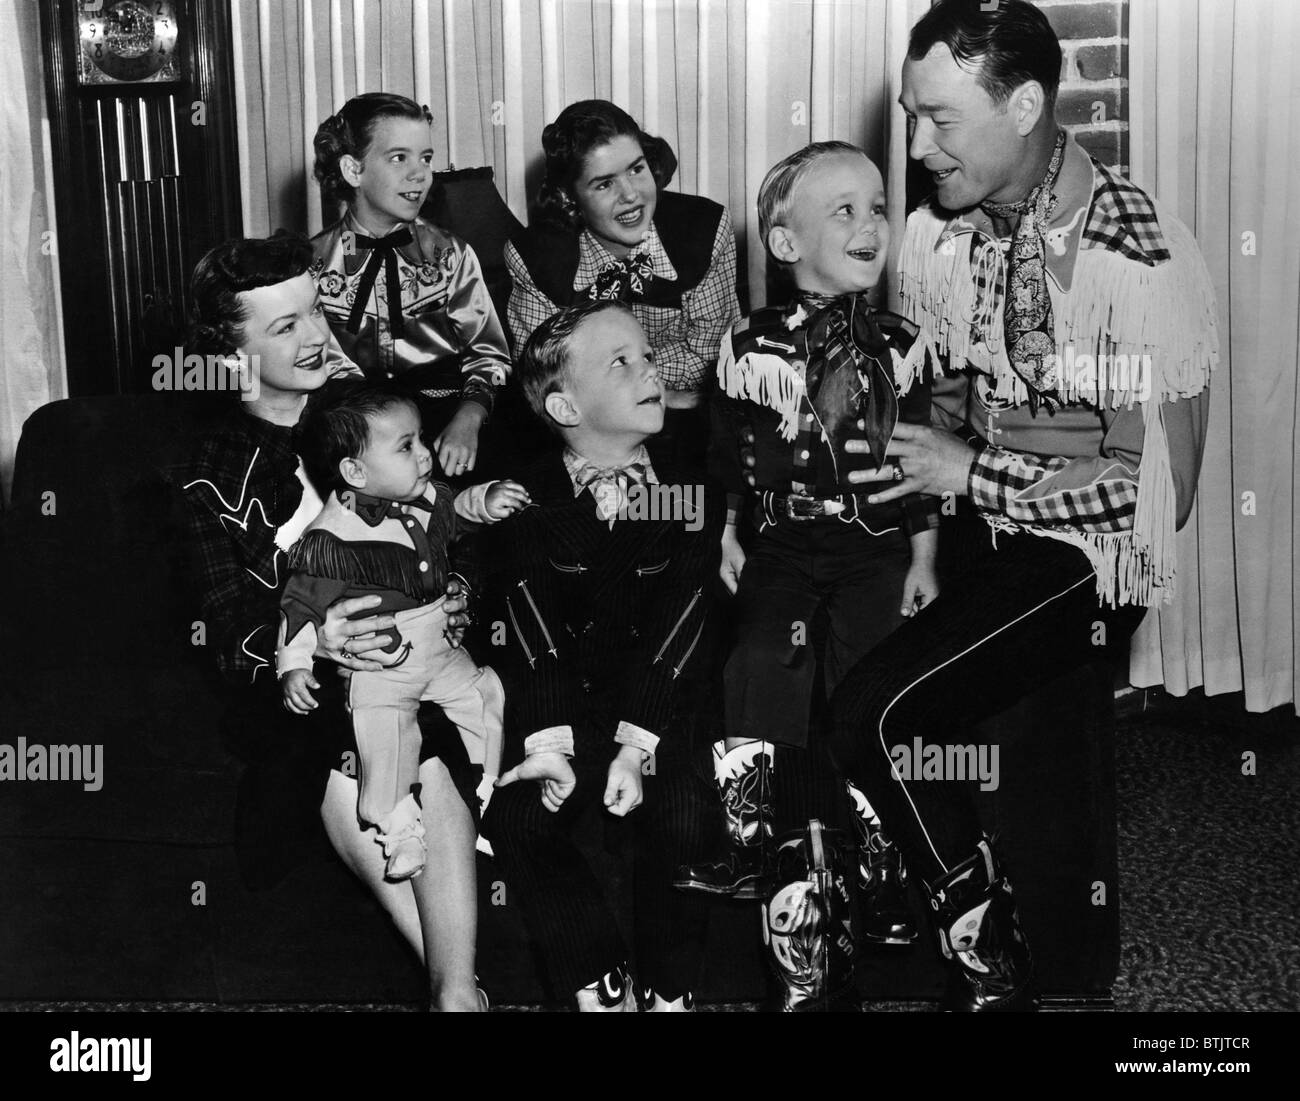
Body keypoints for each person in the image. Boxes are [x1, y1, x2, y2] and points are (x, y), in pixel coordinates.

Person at [826, 0, 1216, 1011]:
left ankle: (983, 955)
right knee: (914, 696)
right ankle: (991, 934)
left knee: (879, 711)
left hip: (1089, 554)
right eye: (913, 116)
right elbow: (947, 398)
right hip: (984, 520)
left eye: (941, 121)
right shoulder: (934, 236)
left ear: (1027, 104)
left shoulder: (1136, 256)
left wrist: (972, 476)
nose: (915, 146)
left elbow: (1150, 499)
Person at [175, 233, 487, 1011]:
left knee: (432, 737)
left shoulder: (368, 419)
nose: (317, 337)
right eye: (284, 328)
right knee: (333, 737)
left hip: (408, 656)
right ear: (229, 355)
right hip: (298, 683)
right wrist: (307, 644)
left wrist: (455, 594)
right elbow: (223, 619)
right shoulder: (211, 469)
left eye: (314, 311)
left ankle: (456, 995)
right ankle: (464, 992)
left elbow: (446, 527)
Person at [674, 143, 940, 992]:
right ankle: (757, 843)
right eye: (845, 211)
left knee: (869, 680)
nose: (871, 225)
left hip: (874, 547)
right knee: (760, 658)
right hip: (785, 543)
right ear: (785, 245)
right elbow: (726, 453)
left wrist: (924, 554)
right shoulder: (747, 343)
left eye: (876, 207)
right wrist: (722, 530)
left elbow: (922, 463)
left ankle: (883, 857)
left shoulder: (903, 343)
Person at [481, 299, 721, 1011]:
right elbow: (531, 632)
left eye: (647, 354)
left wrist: (636, 745)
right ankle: (600, 977)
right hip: (570, 704)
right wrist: (553, 744)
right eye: (622, 363)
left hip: (661, 698)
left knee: (686, 813)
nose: (649, 369)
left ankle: (670, 989)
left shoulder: (688, 486)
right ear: (564, 403)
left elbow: (686, 619)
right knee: (519, 817)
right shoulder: (527, 497)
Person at [277, 382, 529, 880]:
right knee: (385, 734)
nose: (425, 455)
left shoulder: (426, 496)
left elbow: (457, 512)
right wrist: (294, 665)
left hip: (438, 641)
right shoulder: (331, 537)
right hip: (383, 659)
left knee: (487, 693)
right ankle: (399, 830)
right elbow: (300, 609)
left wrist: (486, 500)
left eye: (421, 439)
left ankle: (487, 788)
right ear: (355, 472)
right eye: (406, 447)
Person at [504, 99, 740, 469]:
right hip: (584, 434)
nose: (630, 195)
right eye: (604, 184)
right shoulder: (534, 259)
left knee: (685, 509)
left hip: (691, 426)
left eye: (636, 170)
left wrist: (612, 377)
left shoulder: (705, 229)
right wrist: (646, 390)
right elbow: (546, 384)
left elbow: (710, 354)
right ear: (569, 197)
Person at [310, 92, 512, 478]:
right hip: (354, 431)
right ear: (354, 170)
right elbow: (324, 369)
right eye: (399, 157)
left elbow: (490, 355)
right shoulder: (312, 266)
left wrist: (469, 417)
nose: (420, 174)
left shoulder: (450, 255)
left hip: (447, 419)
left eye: (426, 158)